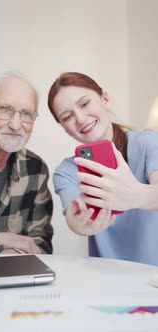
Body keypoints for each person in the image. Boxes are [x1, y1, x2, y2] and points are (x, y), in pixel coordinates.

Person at [48, 71, 158, 266]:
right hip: (107, 282)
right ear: (65, 128)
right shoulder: (66, 171)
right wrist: (82, 223)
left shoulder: (147, 143)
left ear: (104, 98)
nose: (80, 119)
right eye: (67, 116)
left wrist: (135, 195)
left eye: (84, 104)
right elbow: (74, 218)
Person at [0, 71, 53, 255]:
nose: (16, 125)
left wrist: (15, 254)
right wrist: (3, 240)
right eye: (5, 110)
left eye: (26, 113)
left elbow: (40, 242)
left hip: (9, 279)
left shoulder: (35, 169)